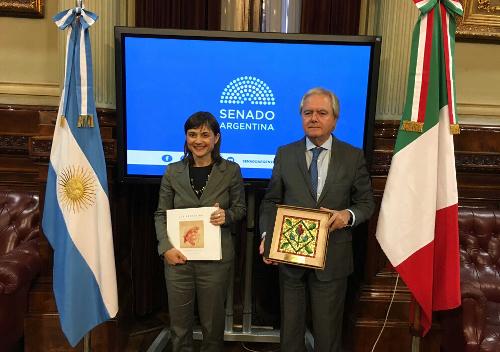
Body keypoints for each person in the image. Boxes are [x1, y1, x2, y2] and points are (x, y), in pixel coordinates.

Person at [259, 88, 375, 352]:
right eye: (307, 112)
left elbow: (366, 204)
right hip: (290, 258)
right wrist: (268, 236)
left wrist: (347, 216)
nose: (313, 118)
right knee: (290, 335)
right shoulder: (285, 154)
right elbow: (271, 201)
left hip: (332, 260)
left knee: (327, 335)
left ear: (334, 119)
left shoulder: (352, 156)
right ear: (301, 116)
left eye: (321, 113)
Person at [154, 111, 246, 352]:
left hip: (215, 262)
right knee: (180, 328)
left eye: (205, 134)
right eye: (192, 134)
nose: (198, 140)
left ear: (216, 138)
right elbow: (160, 214)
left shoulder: (232, 171)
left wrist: (227, 216)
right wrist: (165, 249)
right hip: (178, 259)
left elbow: (240, 209)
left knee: (212, 328)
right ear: (186, 138)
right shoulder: (172, 171)